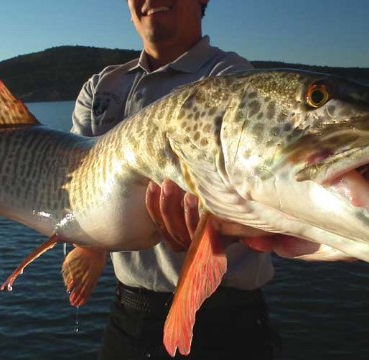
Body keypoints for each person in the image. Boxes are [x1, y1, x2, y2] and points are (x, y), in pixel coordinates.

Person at [70, 1, 278, 359]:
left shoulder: (233, 79)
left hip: (226, 320)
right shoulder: (101, 87)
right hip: (130, 314)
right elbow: (70, 186)